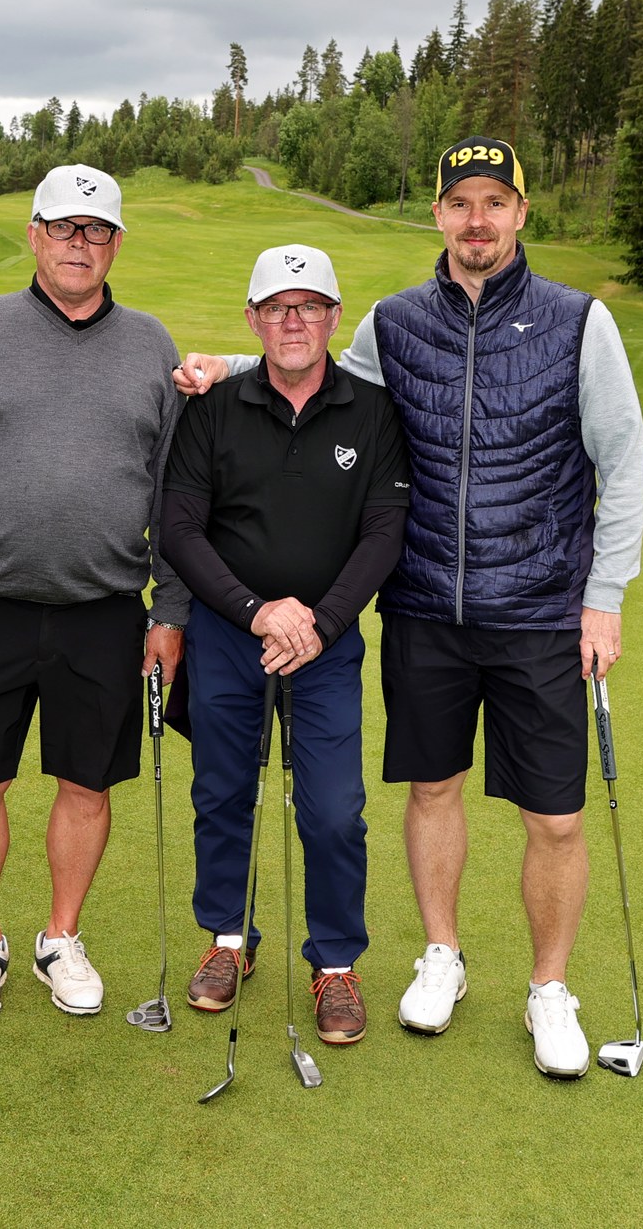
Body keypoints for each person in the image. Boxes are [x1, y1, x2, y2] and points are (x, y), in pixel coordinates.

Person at [175, 136, 643, 1077]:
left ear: (521, 213)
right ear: (437, 214)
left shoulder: (579, 320)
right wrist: (223, 365)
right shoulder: (395, 323)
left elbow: (623, 457)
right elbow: (309, 368)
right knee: (433, 790)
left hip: (540, 608)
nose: (478, 220)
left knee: (555, 817)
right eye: (461, 202)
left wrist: (604, 598)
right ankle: (442, 955)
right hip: (427, 605)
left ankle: (550, 987)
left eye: (495, 202)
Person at [0, 164, 188, 1023]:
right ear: (35, 235)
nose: (79, 244)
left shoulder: (152, 345)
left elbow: (177, 496)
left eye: (96, 231)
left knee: (86, 784)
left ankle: (61, 936)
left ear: (116, 244)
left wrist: (170, 610)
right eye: (63, 227)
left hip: (105, 610)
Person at [160, 244, 410, 1046]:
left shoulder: (373, 411)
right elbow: (179, 526)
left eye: (308, 306)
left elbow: (384, 531)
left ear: (335, 318)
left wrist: (320, 623)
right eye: (275, 307)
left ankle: (335, 962)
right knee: (222, 794)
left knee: (333, 810)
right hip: (229, 635)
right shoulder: (213, 407)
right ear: (252, 319)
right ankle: (228, 938)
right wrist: (256, 610)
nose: (292, 321)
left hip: (325, 645)